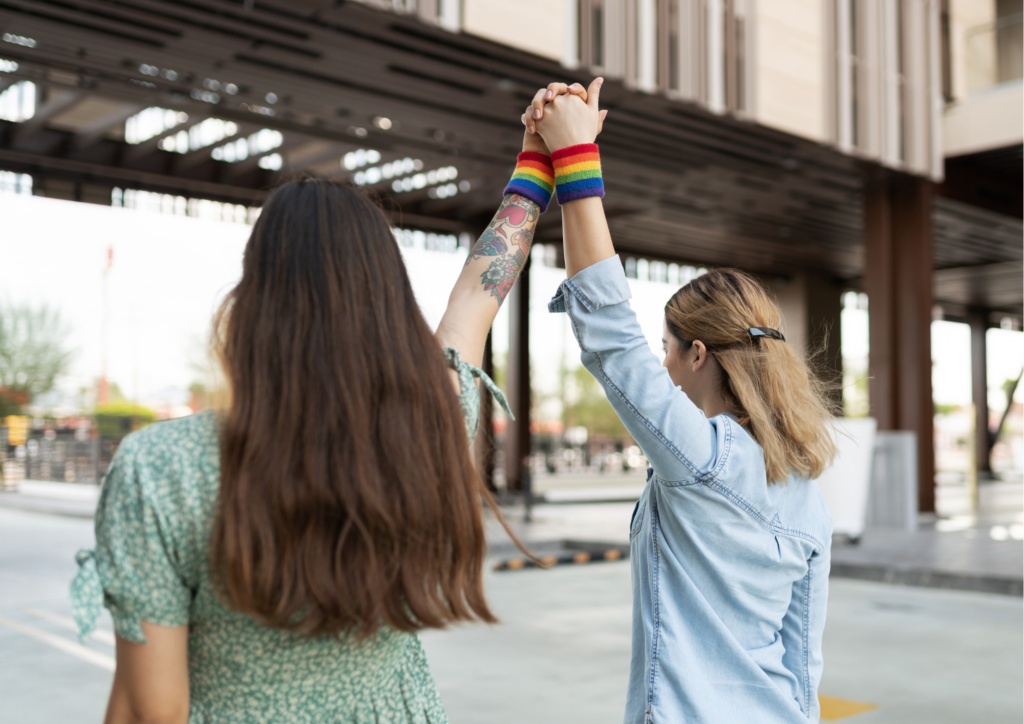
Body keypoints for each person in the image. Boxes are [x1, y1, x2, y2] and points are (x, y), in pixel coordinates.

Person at [68, 102, 598, 722]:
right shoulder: (432, 421)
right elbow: (480, 293)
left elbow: (148, 711)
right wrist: (538, 161)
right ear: (387, 300)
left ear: (253, 300)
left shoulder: (163, 468)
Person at [527, 79, 838, 723]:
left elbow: (611, 338)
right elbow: (804, 663)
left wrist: (574, 157)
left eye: (668, 348)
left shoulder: (699, 459)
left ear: (699, 354)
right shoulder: (807, 490)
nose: (661, 365)